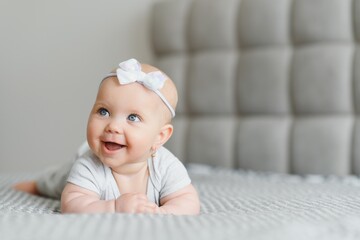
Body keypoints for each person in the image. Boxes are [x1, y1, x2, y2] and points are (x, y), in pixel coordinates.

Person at [14, 58, 200, 215]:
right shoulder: (89, 165)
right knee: (56, 182)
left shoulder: (166, 166)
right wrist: (114, 206)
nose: (113, 126)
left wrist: (164, 213)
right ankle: (37, 184)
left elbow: (187, 200)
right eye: (103, 112)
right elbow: (71, 204)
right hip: (72, 171)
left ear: (159, 137)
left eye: (133, 117)